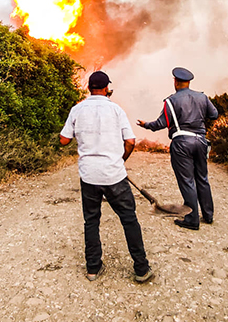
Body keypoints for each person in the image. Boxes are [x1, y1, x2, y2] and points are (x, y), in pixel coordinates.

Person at [59, 71, 153, 283]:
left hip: (89, 176)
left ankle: (93, 268)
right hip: (114, 175)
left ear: (89, 88)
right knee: (129, 219)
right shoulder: (116, 110)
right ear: (107, 88)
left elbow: (64, 141)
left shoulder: (77, 109)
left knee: (91, 221)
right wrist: (121, 160)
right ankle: (141, 269)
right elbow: (130, 141)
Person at [137, 67, 219, 231]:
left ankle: (192, 218)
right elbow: (214, 114)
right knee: (202, 178)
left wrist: (146, 125)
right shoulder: (202, 97)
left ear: (175, 82)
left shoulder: (171, 101)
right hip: (201, 141)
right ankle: (208, 215)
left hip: (182, 142)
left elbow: (160, 124)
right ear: (188, 82)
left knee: (187, 180)